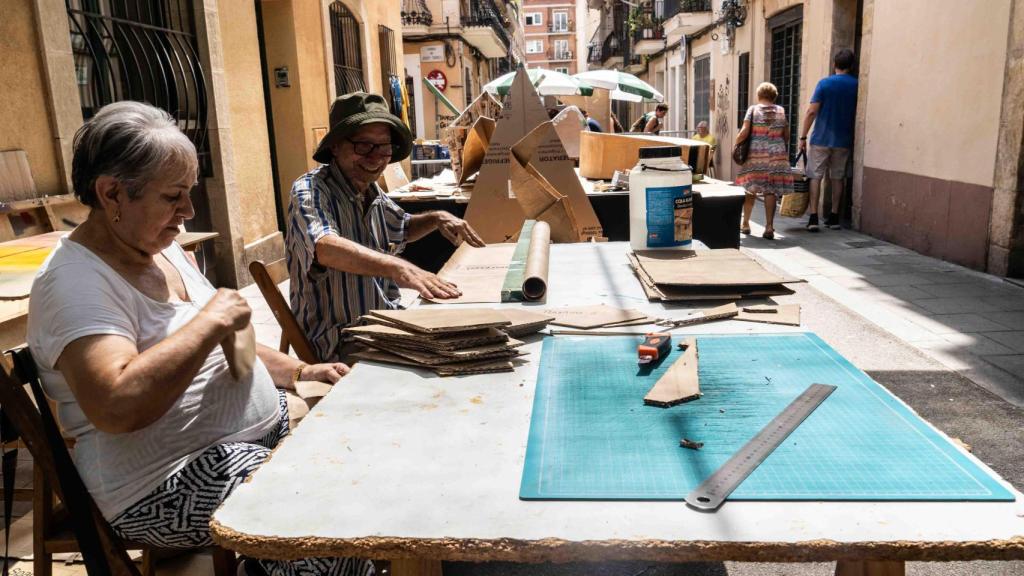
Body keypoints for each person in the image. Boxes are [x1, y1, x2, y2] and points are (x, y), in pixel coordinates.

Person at [26, 101, 370, 576]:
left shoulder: (160, 248)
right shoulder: (75, 284)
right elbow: (115, 406)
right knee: (328, 528)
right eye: (173, 196)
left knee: (371, 463)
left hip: (253, 438)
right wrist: (209, 322)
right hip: (164, 483)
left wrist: (300, 371)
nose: (187, 211)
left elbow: (232, 348)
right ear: (111, 194)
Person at [287, 92, 484, 362]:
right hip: (343, 338)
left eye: (384, 147)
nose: (376, 157)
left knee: (470, 338)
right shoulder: (310, 190)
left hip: (387, 323)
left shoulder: (371, 191)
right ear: (335, 147)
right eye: (363, 146)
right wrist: (398, 267)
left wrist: (437, 217)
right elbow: (324, 247)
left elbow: (402, 227)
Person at [799, 48, 858, 231]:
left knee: (815, 176)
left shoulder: (824, 84)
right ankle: (834, 217)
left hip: (821, 138)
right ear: (851, 66)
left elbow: (811, 111)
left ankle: (814, 217)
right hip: (844, 140)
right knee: (838, 177)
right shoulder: (857, 85)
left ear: (834, 64)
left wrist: (803, 136)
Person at [734, 82, 794, 240]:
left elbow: (744, 132)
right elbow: (786, 135)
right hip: (777, 156)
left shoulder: (753, 110)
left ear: (759, 95)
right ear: (774, 96)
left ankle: (745, 223)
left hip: (756, 155)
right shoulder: (781, 111)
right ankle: (769, 227)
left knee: (750, 188)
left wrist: (736, 143)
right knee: (770, 190)